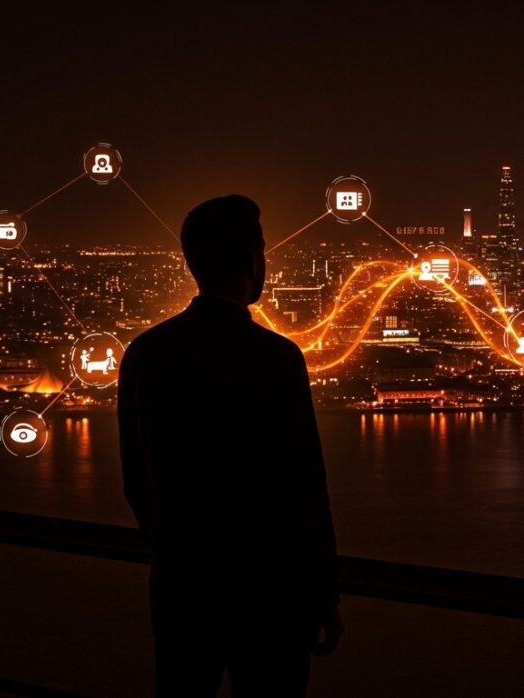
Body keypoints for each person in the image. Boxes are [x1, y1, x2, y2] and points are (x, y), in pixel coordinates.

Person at [118, 195, 342, 697]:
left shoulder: (146, 353)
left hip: (181, 587)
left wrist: (173, 551)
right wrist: (324, 592)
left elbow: (135, 478)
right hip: (269, 593)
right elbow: (306, 488)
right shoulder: (276, 357)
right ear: (253, 258)